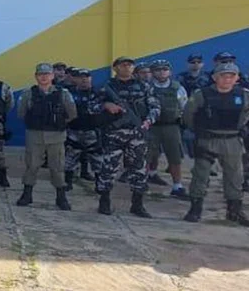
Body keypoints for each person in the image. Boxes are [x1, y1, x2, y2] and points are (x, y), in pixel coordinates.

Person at [92, 57, 160, 217]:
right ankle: (104, 201)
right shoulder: (106, 87)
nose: (127, 67)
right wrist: (106, 105)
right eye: (123, 65)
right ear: (115, 68)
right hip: (114, 133)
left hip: (137, 133)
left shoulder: (144, 86)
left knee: (139, 169)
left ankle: (137, 204)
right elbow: (92, 106)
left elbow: (155, 107)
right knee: (108, 168)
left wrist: (148, 121)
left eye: (130, 65)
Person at [182, 63, 249, 225]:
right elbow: (188, 116)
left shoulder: (244, 95)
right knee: (201, 175)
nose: (227, 79)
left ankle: (234, 211)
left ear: (237, 78)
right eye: (223, 75)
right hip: (207, 139)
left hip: (232, 140)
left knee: (235, 176)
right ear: (214, 78)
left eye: (231, 76)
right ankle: (195, 208)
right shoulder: (201, 95)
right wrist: (198, 133)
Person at [15, 64, 78, 210]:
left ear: (52, 76)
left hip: (56, 136)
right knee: (31, 166)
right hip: (35, 136)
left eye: (47, 74)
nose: (43, 77)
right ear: (36, 76)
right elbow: (21, 113)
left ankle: (61, 197)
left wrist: (57, 123)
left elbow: (72, 114)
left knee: (57, 167)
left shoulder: (63, 93)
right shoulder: (28, 94)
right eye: (40, 74)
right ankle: (27, 194)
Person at [145, 60, 188, 197]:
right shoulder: (146, 88)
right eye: (158, 69)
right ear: (152, 72)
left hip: (171, 126)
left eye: (165, 69)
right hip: (151, 127)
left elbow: (184, 107)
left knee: (175, 156)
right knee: (147, 156)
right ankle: (143, 183)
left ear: (170, 71)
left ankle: (177, 186)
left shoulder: (178, 88)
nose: (162, 72)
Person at [64, 69, 100, 190]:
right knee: (70, 159)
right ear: (76, 79)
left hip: (93, 132)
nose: (84, 79)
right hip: (74, 131)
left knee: (97, 160)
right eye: (81, 77)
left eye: (86, 77)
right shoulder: (69, 93)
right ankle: (67, 183)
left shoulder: (99, 93)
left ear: (91, 78)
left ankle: (99, 185)